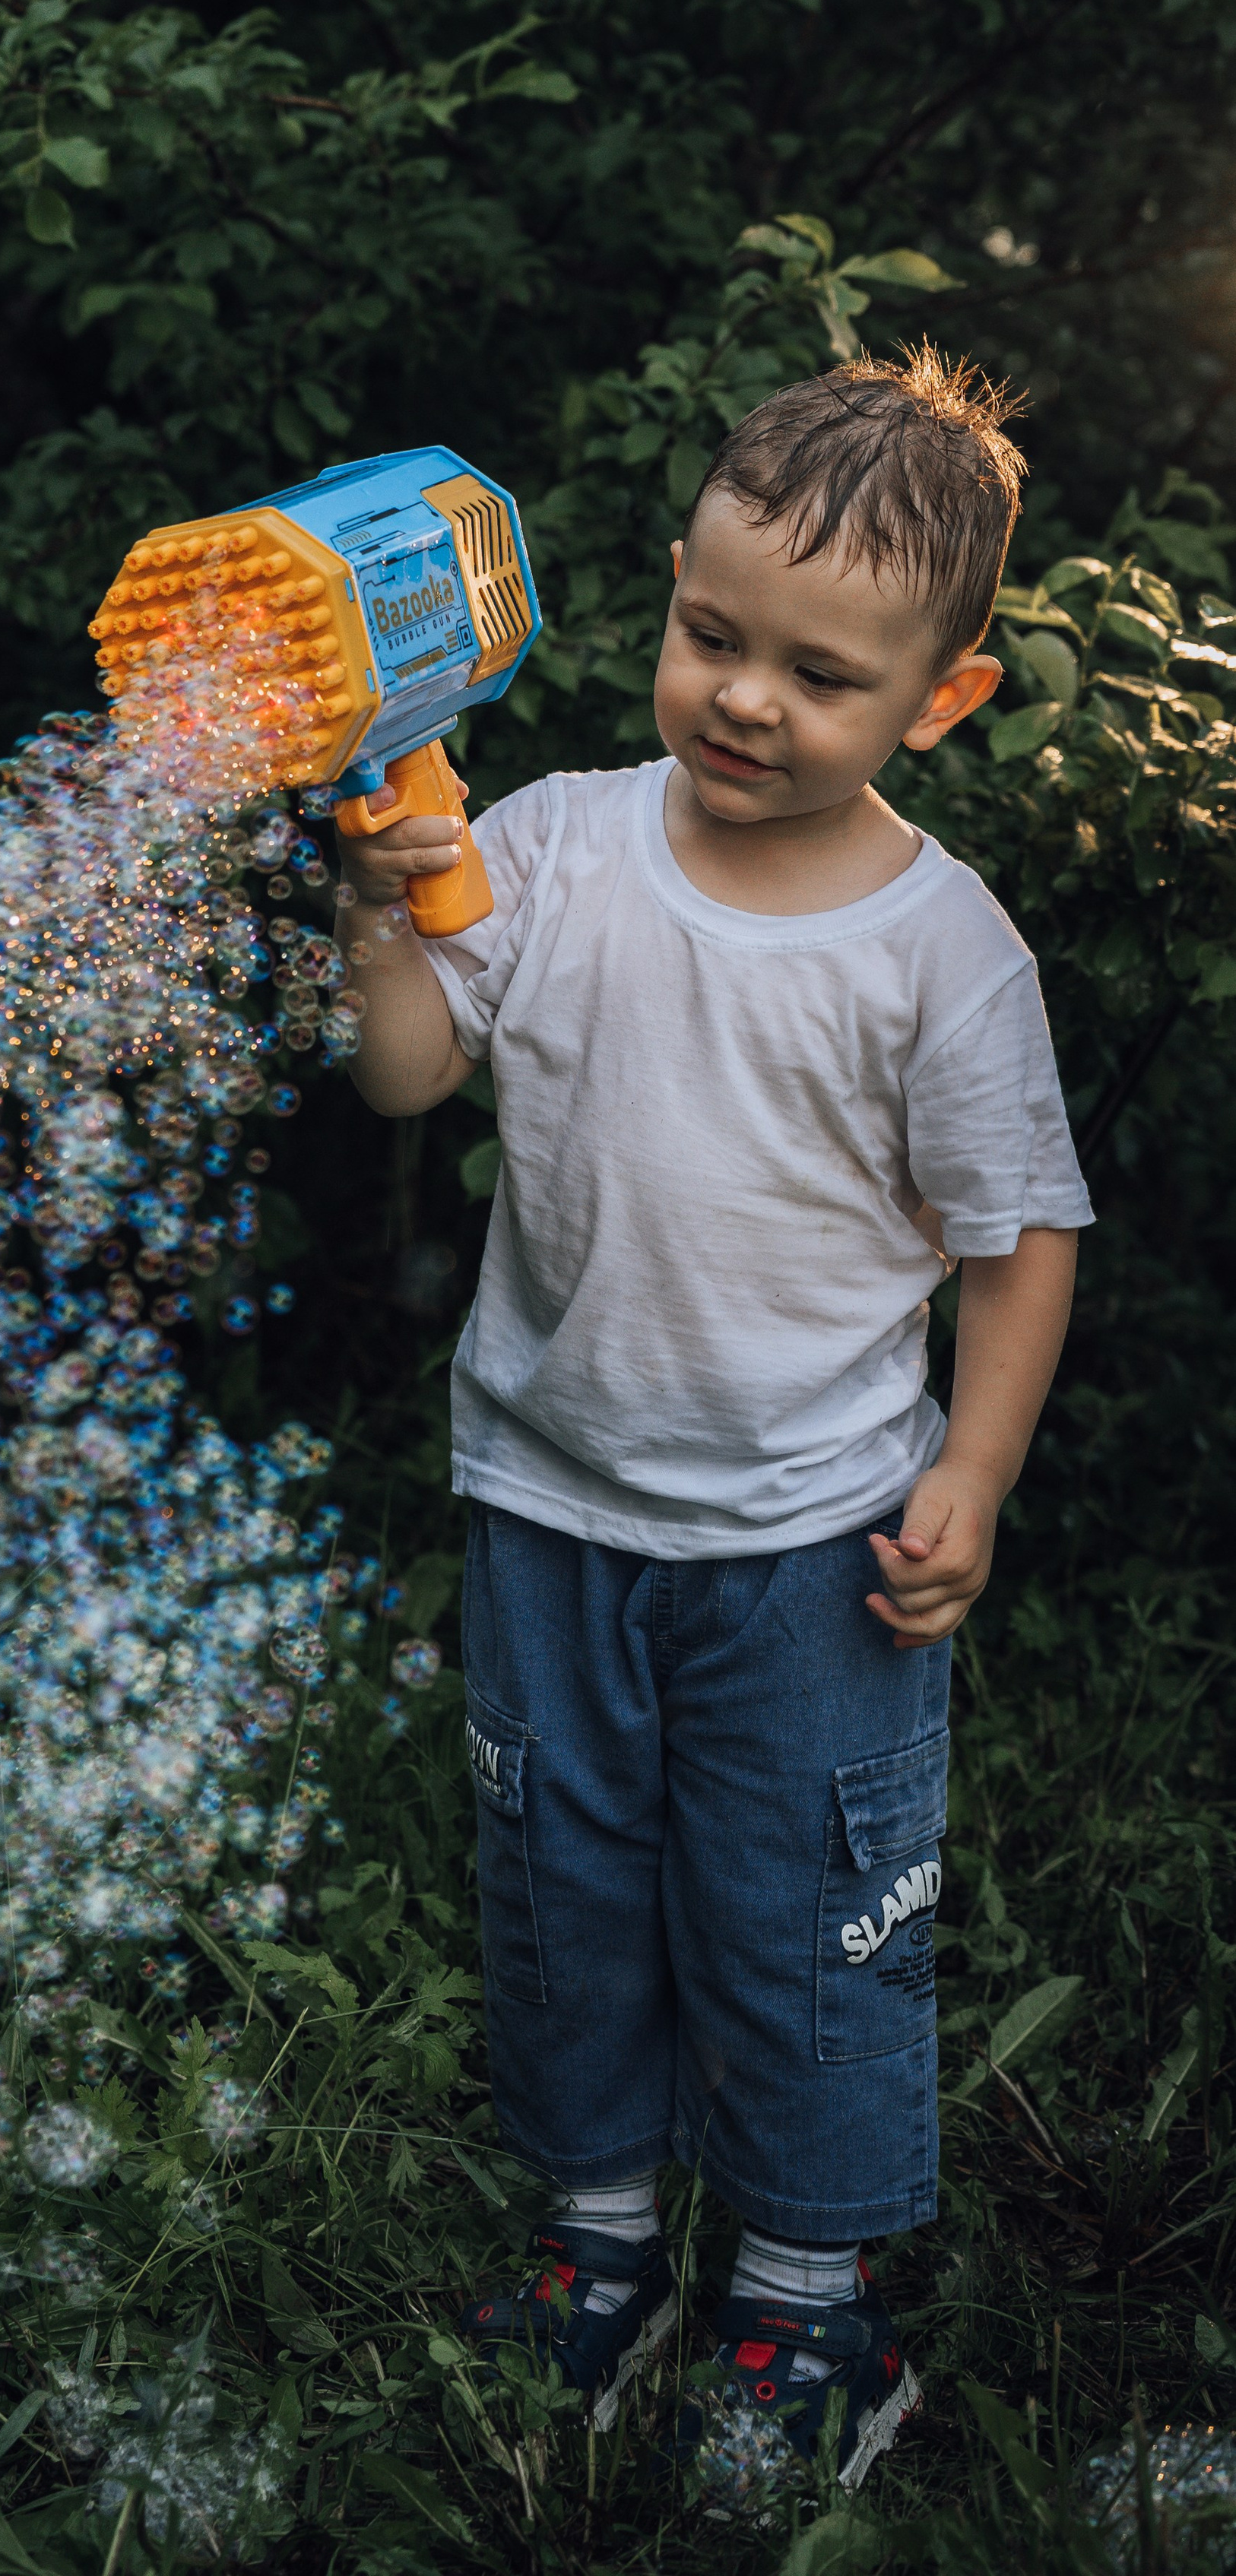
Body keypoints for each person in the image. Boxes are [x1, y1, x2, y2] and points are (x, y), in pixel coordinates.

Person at [333, 347, 1091, 2492]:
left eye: (820, 677)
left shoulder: (939, 956)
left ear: (936, 704)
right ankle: (597, 2250)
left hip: (812, 1543)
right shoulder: (555, 850)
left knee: (804, 1909)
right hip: (555, 1502)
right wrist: (388, 904)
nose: (746, 700)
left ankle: (805, 2303)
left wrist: (978, 1471)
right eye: (712, 637)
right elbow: (407, 1074)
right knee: (564, 1883)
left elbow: (1016, 1237)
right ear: (669, 593)